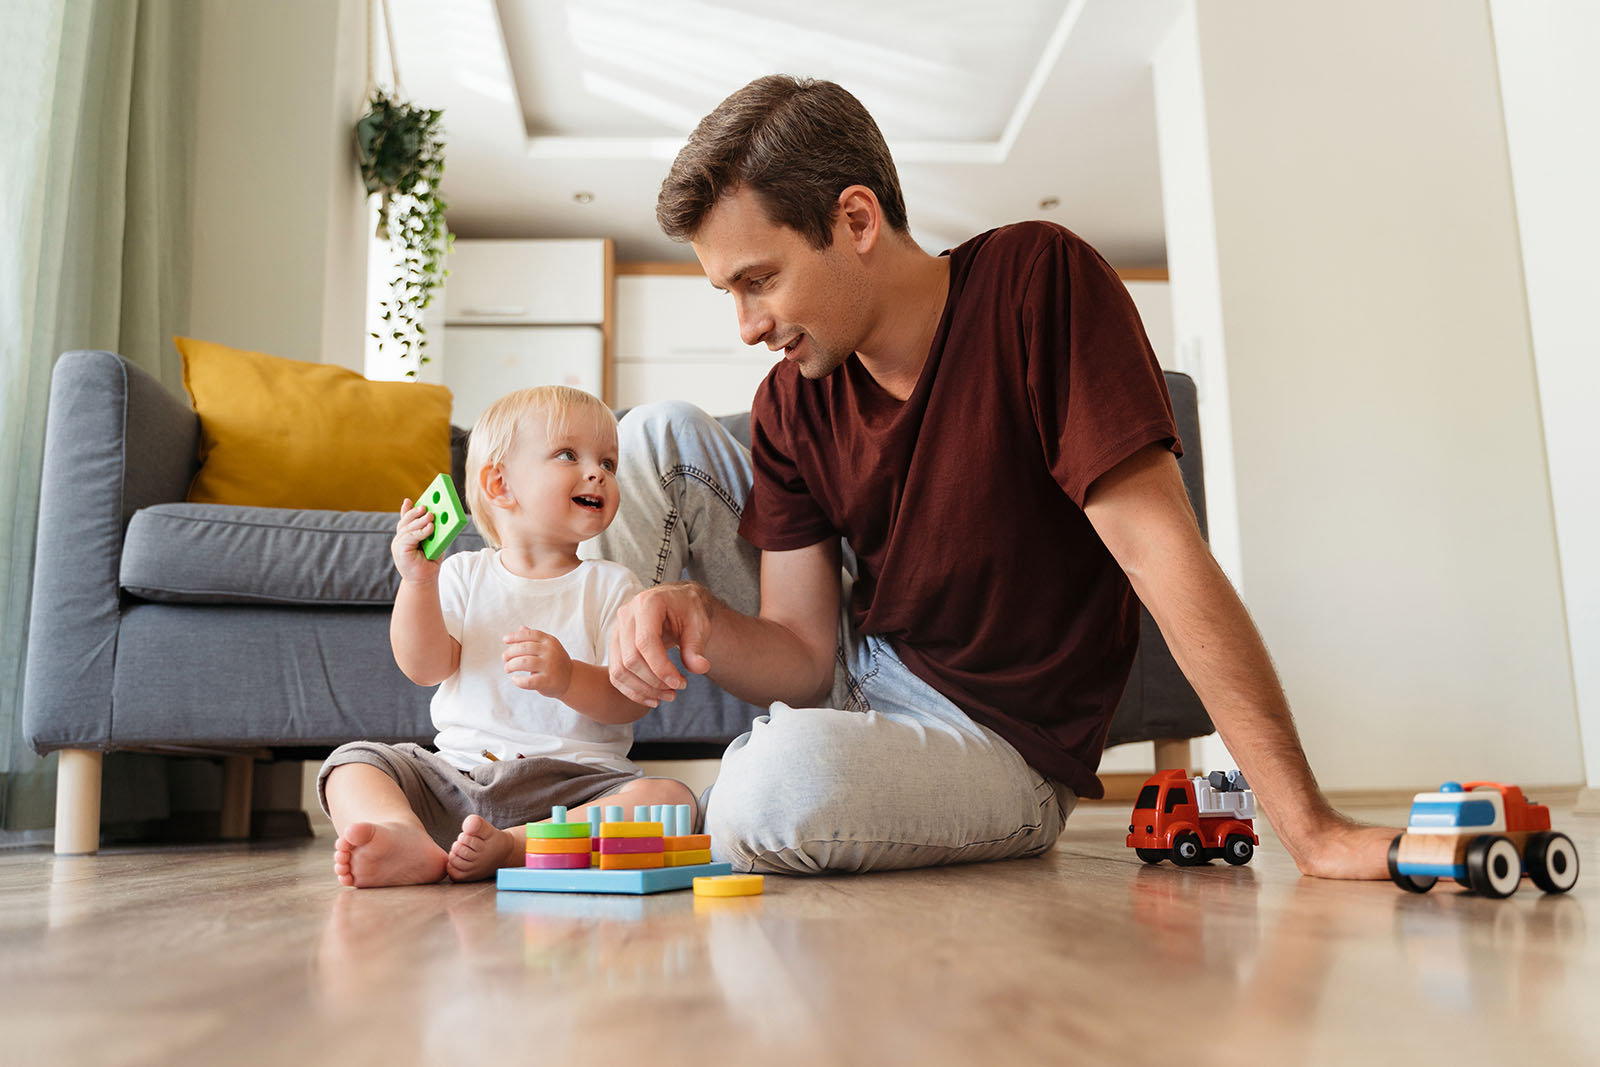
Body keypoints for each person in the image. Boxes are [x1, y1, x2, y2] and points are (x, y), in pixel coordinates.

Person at [594, 74, 1394, 879]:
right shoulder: (792, 401)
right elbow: (803, 657)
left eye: (759, 281)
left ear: (856, 220)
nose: (746, 326)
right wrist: (700, 614)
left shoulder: (1036, 283)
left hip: (1000, 745)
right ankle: (578, 779)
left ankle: (701, 804)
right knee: (651, 438)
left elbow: (1160, 555)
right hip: (858, 667)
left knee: (767, 788)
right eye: (729, 292)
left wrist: (1312, 830)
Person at [320, 386, 695, 887]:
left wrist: (568, 678)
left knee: (670, 800)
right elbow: (424, 668)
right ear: (500, 484)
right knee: (351, 764)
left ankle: (517, 847)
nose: (598, 473)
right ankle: (403, 834)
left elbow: (628, 701)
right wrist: (417, 582)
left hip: (575, 788)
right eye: (569, 455)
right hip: (457, 780)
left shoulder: (614, 586)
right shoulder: (461, 573)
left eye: (608, 462)